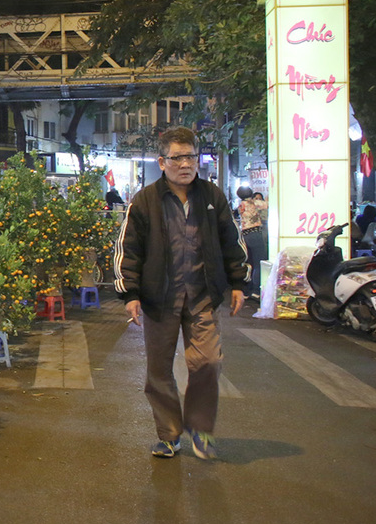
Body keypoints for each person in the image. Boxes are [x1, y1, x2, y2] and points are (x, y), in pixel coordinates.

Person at [113, 127, 248, 460]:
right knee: (159, 371)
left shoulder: (213, 197)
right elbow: (128, 249)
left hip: (202, 295)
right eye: (177, 158)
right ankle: (169, 435)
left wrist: (239, 283)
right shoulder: (145, 201)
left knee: (208, 362)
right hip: (160, 299)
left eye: (191, 156)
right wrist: (130, 293)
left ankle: (200, 429)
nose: (186, 164)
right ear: (162, 161)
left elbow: (232, 241)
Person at [236, 188, 267, 299]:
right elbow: (267, 205)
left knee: (250, 263)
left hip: (245, 234)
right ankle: (256, 291)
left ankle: (247, 290)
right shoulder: (253, 202)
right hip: (255, 234)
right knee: (259, 262)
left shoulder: (241, 205)